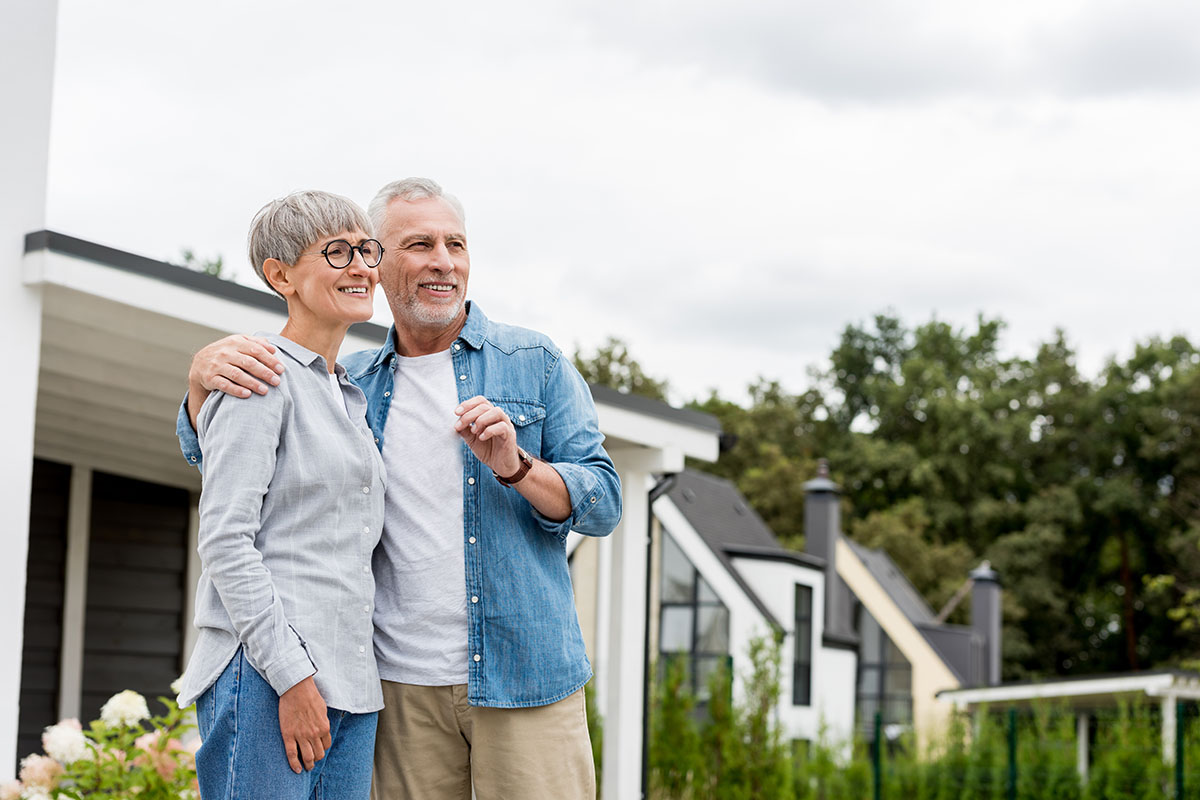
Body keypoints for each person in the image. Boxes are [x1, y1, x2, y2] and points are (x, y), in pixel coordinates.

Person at [178, 178, 621, 799]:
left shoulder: (533, 361)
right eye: (418, 244)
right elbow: (226, 479)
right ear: (385, 267)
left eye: (456, 244)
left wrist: (517, 466)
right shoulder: (352, 383)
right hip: (393, 687)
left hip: (523, 678)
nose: (443, 261)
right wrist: (200, 388)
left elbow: (604, 504)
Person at [176, 191, 387, 800]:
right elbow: (224, 539)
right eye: (338, 252)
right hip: (270, 676)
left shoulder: (349, 396)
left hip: (351, 686)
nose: (362, 267)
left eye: (367, 250)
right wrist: (292, 678)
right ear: (281, 275)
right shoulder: (259, 376)